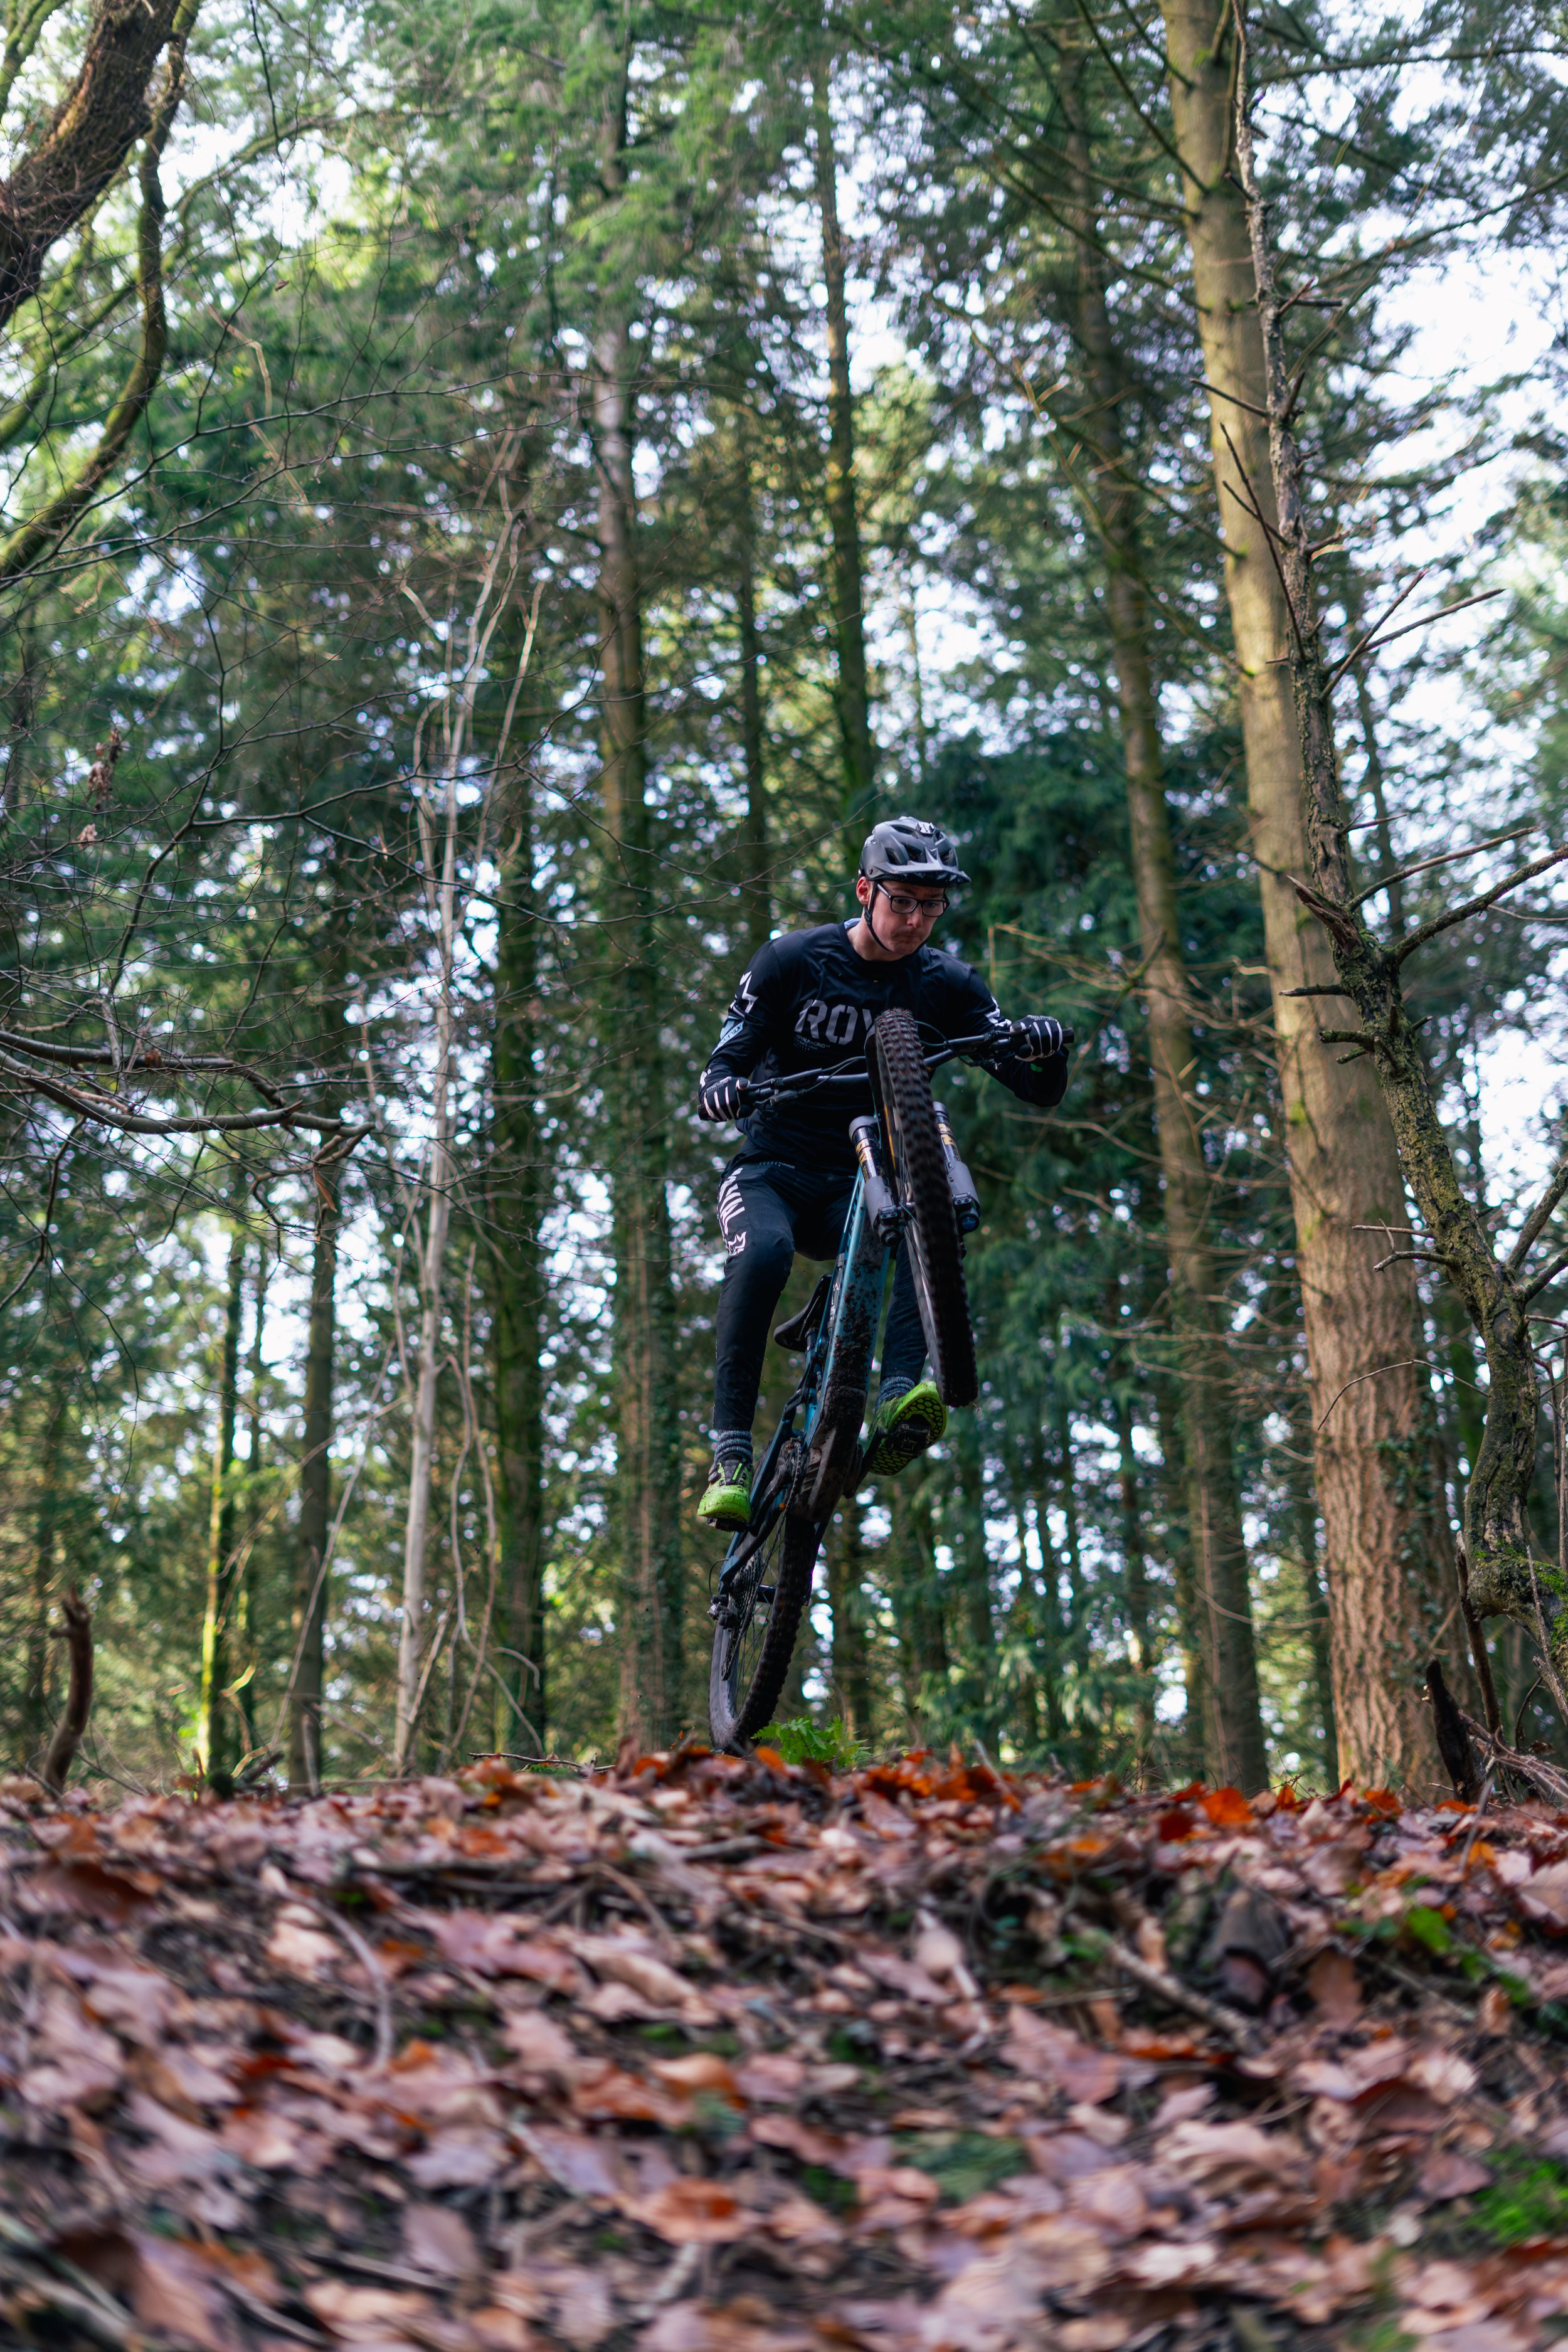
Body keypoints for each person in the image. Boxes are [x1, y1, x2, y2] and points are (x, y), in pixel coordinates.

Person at [694, 814, 1071, 1533]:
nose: (917, 920)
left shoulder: (947, 985)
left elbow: (1034, 1086)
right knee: (765, 1255)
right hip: (772, 1171)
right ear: (866, 891)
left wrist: (1043, 1047)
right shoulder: (791, 961)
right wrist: (721, 1088)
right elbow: (727, 1057)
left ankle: (901, 1390)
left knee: (914, 1213)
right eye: (902, 901)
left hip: (866, 1181)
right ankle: (731, 1455)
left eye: (932, 906)